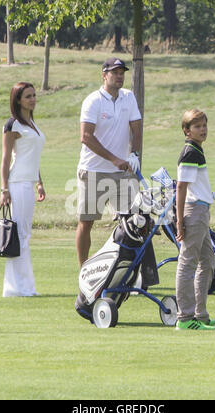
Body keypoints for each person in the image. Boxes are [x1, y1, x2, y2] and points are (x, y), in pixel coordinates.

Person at [76, 58, 142, 267]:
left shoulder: (128, 98)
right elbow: (86, 136)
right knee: (86, 222)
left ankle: (130, 273)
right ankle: (83, 270)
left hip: (122, 173)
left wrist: (135, 155)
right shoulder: (93, 101)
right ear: (104, 75)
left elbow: (137, 128)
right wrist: (115, 159)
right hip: (93, 171)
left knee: (133, 222)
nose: (119, 76)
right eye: (115, 72)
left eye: (122, 72)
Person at [175, 109, 215, 330]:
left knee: (208, 261)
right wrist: (180, 222)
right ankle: (185, 319)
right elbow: (181, 187)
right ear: (187, 131)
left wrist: (212, 196)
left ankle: (200, 314)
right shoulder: (190, 152)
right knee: (187, 264)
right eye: (197, 126)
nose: (203, 130)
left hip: (202, 210)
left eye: (204, 125)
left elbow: (196, 185)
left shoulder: (197, 150)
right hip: (194, 213)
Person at [0, 82, 46, 297]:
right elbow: (6, 158)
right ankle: (23, 288)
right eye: (28, 96)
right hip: (17, 184)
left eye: (34, 95)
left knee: (23, 235)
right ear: (18, 100)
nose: (33, 99)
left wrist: (39, 181)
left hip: (29, 182)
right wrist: (4, 189)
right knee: (21, 236)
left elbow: (32, 158)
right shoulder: (13, 125)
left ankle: (16, 287)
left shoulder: (32, 124)